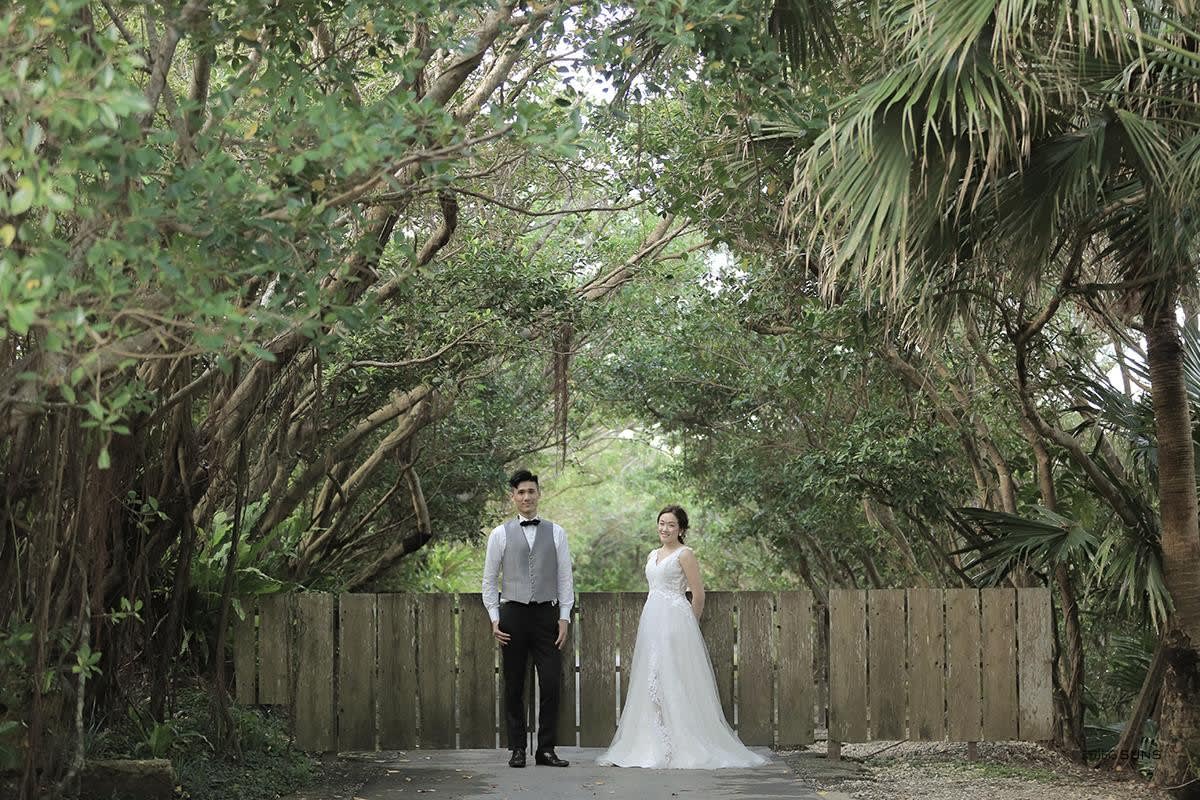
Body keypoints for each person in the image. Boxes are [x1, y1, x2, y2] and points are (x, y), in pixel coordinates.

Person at [598, 505, 767, 769]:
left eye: (671, 525)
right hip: (652, 618)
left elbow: (698, 594)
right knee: (651, 677)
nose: (665, 529)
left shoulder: (685, 554)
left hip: (676, 620)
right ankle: (652, 741)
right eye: (661, 523)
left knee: (674, 675)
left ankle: (682, 742)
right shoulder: (652, 554)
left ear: (681, 529)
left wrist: (689, 624)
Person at [481, 469, 574, 768]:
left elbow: (565, 578)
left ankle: (545, 749)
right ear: (513, 497)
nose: (526, 497)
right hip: (513, 614)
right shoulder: (499, 534)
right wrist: (494, 618)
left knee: (551, 683)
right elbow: (489, 580)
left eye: (531, 491)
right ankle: (518, 749)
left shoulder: (556, 532)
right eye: (521, 492)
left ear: (538, 494)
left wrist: (564, 617)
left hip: (547, 615)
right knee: (514, 685)